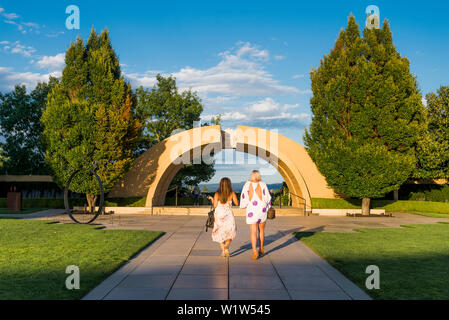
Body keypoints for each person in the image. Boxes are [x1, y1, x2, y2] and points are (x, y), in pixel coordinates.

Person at [240, 170, 271, 260]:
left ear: (251, 176)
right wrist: (268, 206)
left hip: (252, 210)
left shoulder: (247, 184)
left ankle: (254, 252)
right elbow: (268, 197)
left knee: (253, 232)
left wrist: (244, 205)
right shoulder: (263, 184)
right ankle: (261, 249)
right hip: (262, 209)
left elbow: (244, 197)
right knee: (261, 230)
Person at [208, 177, 238, 257]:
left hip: (219, 216)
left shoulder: (217, 194)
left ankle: (224, 250)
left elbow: (215, 206)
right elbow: (237, 203)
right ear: (229, 184)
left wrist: (212, 199)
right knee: (230, 232)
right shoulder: (232, 193)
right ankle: (226, 246)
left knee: (219, 233)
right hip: (229, 216)